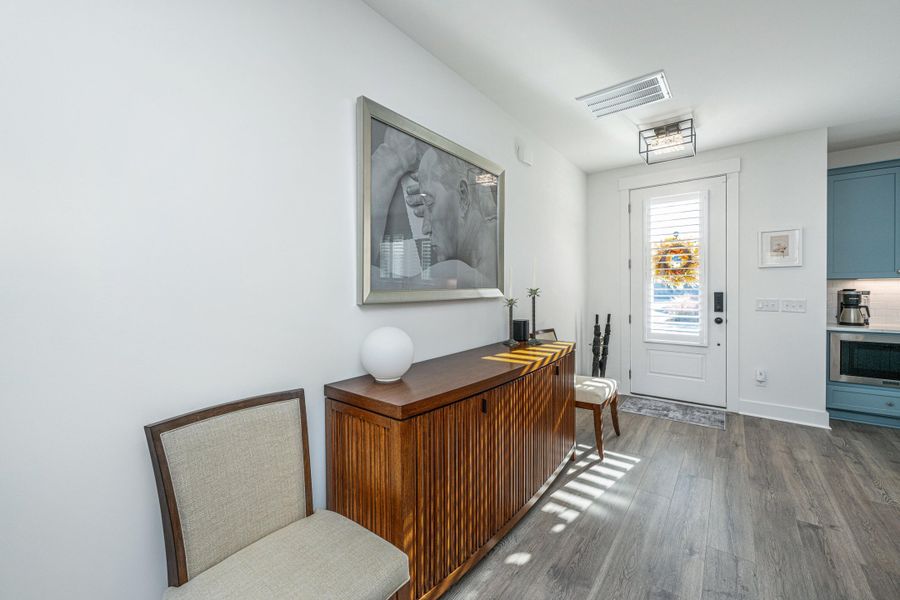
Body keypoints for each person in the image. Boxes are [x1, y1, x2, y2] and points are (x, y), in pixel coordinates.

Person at [369, 126, 498, 289]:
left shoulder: (461, 276)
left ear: (464, 195)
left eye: (429, 203)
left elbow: (364, 281)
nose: (425, 228)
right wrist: (438, 201)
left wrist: (392, 157)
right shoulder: (497, 245)